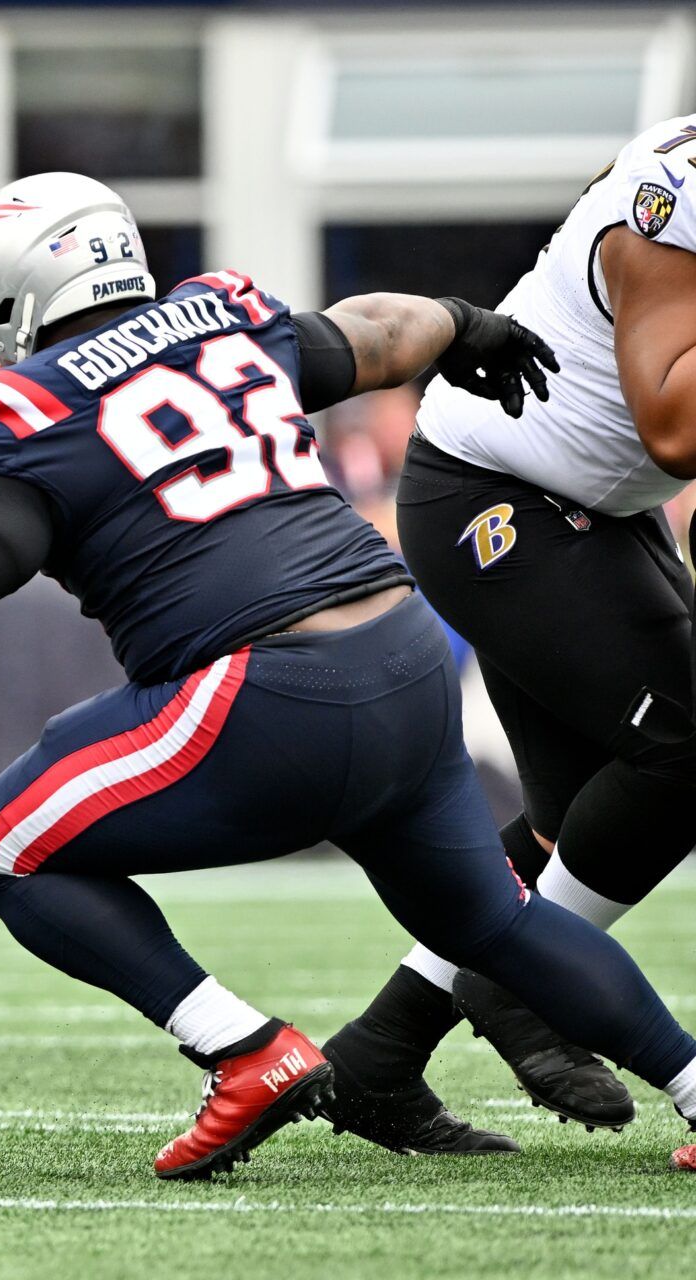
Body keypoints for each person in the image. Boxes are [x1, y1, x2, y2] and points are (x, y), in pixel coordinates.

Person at [0, 172, 696, 1179]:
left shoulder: (20, 419)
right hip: (403, 656)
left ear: (15, 295)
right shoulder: (219, 315)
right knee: (494, 922)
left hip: (270, 691)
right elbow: (370, 333)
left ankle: (241, 1045)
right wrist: (466, 322)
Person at [322, 113, 696, 1145]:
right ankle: (525, 982)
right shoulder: (677, 201)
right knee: (682, 747)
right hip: (494, 493)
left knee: (574, 818)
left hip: (595, 501)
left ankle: (379, 1053)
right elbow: (673, 418)